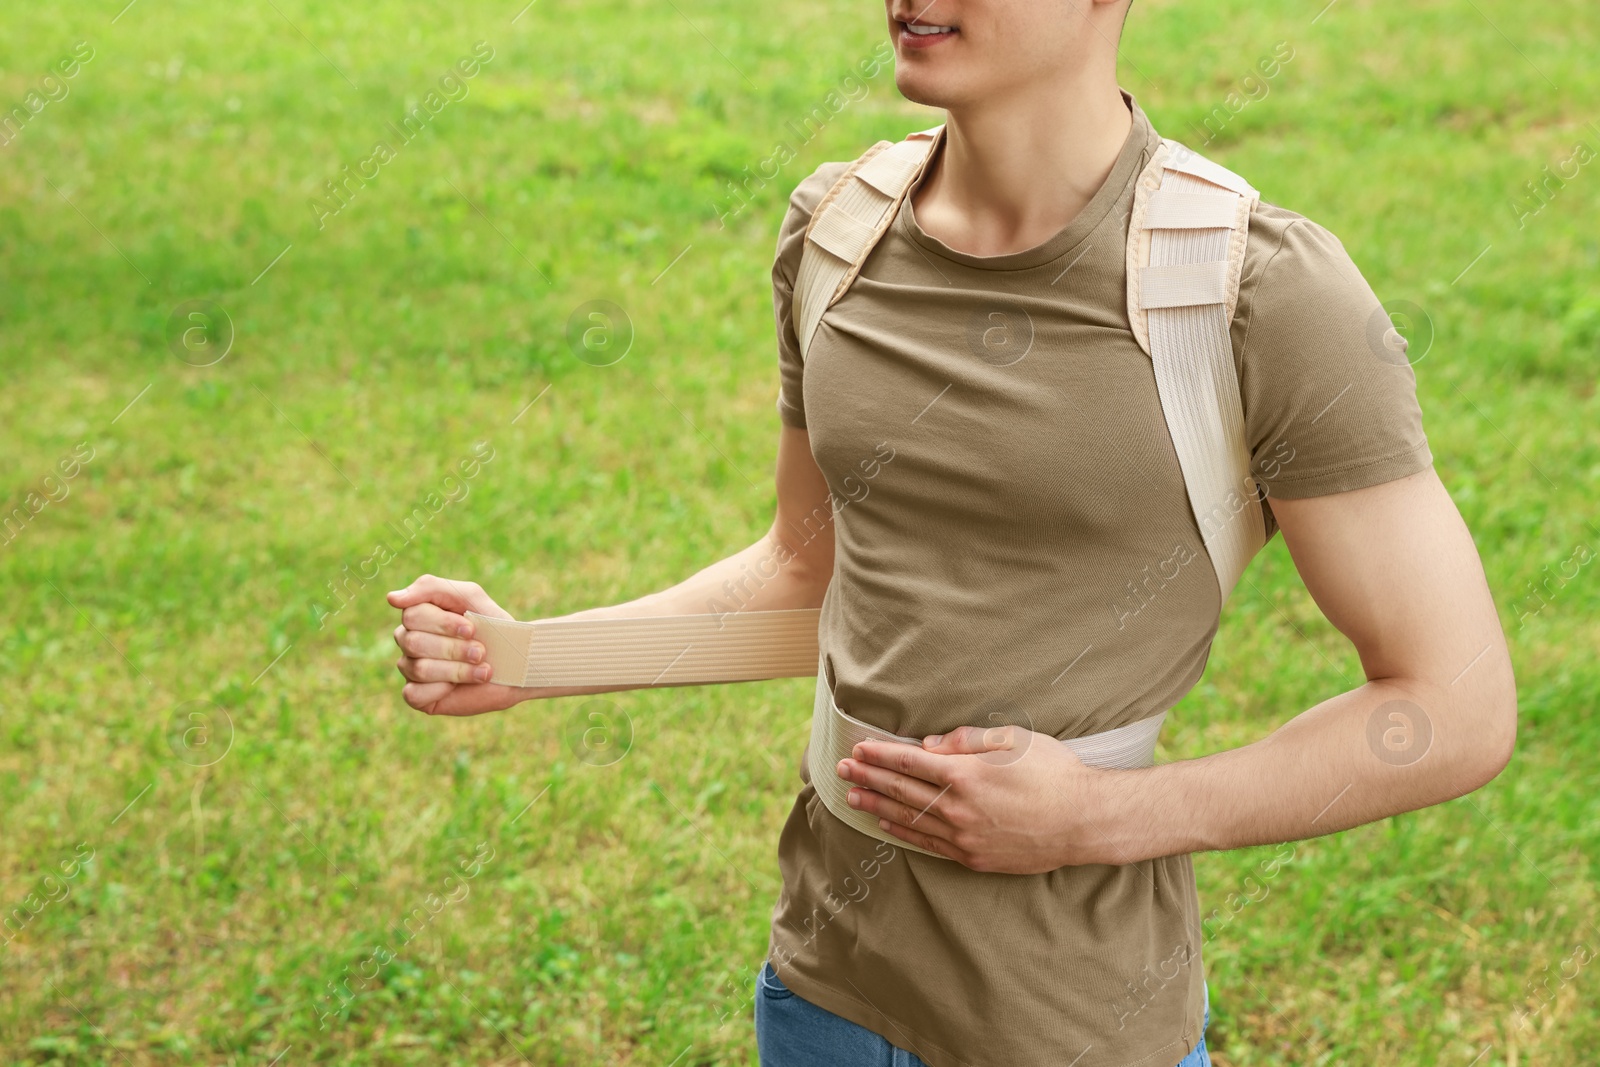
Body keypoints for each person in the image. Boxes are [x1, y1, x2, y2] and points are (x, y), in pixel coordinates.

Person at [387, 1, 1518, 1064]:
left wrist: (1105, 815)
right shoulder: (836, 230)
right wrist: (532, 658)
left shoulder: (1252, 291)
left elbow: (1451, 706)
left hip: (1077, 1016)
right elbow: (808, 578)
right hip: (824, 989)